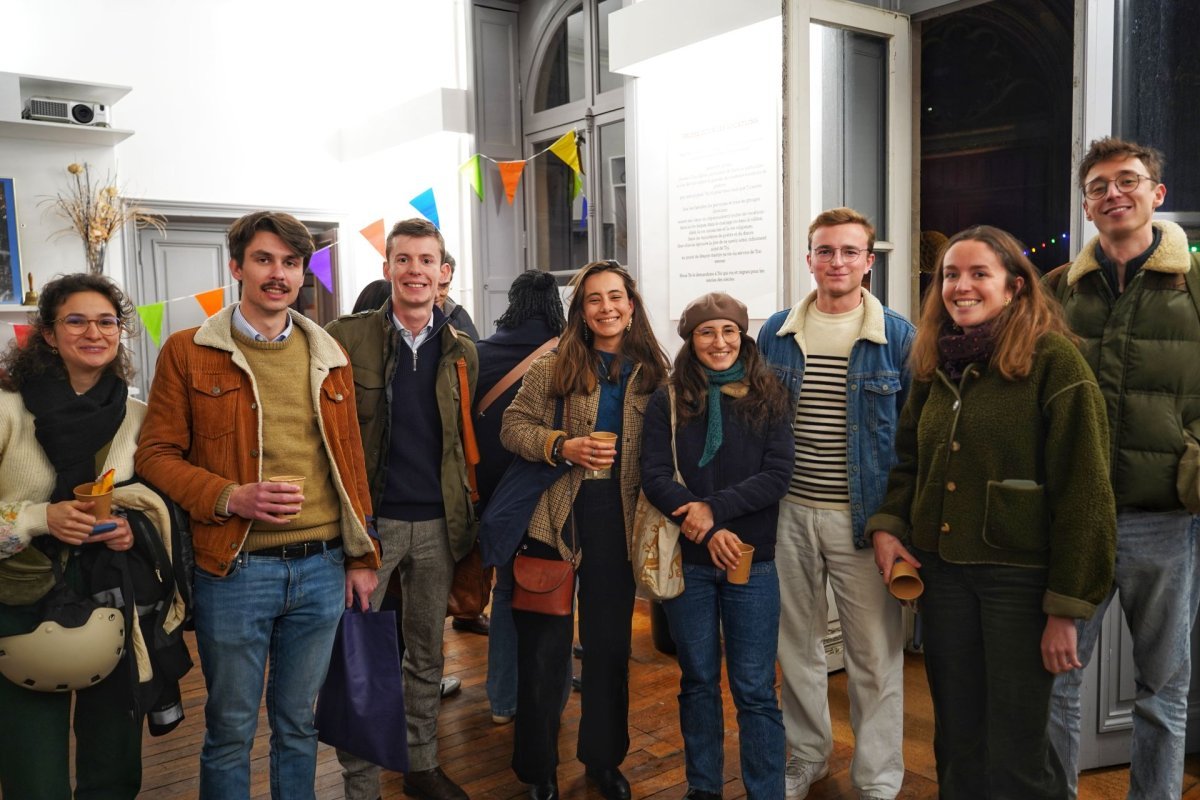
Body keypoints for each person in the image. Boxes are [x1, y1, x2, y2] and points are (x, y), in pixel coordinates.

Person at [136, 211, 381, 800]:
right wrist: (231, 496)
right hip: (235, 567)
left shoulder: (330, 355)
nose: (278, 274)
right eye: (264, 260)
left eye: (291, 263)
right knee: (230, 729)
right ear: (237, 266)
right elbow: (155, 455)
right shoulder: (188, 352)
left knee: (299, 726)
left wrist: (361, 555)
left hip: (322, 568)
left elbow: (351, 465)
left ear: (304, 273)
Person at [869, 225, 1116, 798]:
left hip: (1019, 585)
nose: (961, 285)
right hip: (944, 575)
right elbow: (908, 460)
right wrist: (888, 526)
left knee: (1018, 745)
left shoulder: (1056, 363)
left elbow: (1086, 497)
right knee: (957, 734)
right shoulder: (934, 360)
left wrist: (1065, 609)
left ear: (1015, 287)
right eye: (951, 274)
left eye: (980, 273)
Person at [1044, 137, 1200, 798]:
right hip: (1074, 520)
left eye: (1128, 180)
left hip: (1161, 519)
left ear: (1156, 194)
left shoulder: (1194, 283)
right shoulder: (1057, 292)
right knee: (1054, 682)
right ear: (1085, 204)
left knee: (1162, 691)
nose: (1115, 193)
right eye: (1101, 185)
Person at [757, 207, 914, 800]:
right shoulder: (776, 332)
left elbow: (911, 441)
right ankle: (807, 758)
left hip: (865, 522)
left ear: (868, 263)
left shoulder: (897, 337)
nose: (837, 262)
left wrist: (896, 526)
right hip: (788, 512)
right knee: (795, 647)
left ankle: (877, 778)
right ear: (809, 259)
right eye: (826, 251)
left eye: (850, 252)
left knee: (874, 657)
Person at [501, 259, 669, 800]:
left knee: (608, 650)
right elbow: (512, 427)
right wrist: (561, 446)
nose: (607, 308)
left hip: (618, 522)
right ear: (580, 309)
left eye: (615, 296)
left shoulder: (651, 369)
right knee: (544, 655)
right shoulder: (553, 364)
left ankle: (603, 760)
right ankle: (538, 770)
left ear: (632, 303)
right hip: (554, 518)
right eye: (594, 299)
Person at [326, 217, 478, 800]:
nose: (415, 271)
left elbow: (462, 446)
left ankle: (421, 763)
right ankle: (360, 783)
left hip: (439, 526)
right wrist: (349, 533)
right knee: (362, 656)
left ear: (443, 274)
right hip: (370, 525)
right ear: (387, 268)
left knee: (427, 654)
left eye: (427, 261)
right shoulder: (345, 337)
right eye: (404, 260)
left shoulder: (463, 351)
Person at [0, 274, 149, 798]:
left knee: (114, 753)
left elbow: (147, 501)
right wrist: (43, 518)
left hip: (107, 586)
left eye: (107, 321)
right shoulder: (7, 408)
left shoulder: (135, 416)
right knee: (32, 758)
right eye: (77, 320)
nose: (95, 332)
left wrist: (131, 529)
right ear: (47, 333)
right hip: (21, 593)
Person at [641, 292, 793, 799]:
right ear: (691, 340)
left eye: (729, 331)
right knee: (698, 680)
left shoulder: (769, 394)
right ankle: (703, 787)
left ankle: (765, 790)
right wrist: (709, 527)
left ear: (743, 336)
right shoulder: (667, 399)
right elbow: (655, 477)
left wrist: (715, 511)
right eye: (707, 332)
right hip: (692, 563)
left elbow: (777, 475)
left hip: (754, 563)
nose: (719, 342)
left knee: (753, 688)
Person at [475, 270, 569, 725]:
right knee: (556, 592)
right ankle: (550, 691)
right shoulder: (567, 356)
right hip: (548, 491)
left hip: (494, 498)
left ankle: (502, 699)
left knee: (507, 592)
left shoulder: (477, 355)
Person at [438, 253, 481, 341]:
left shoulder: (460, 314)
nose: (436, 294)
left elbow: (474, 352)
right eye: (431, 286)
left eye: (443, 287)